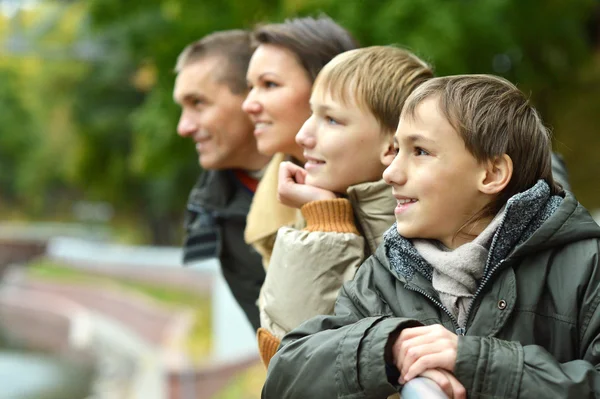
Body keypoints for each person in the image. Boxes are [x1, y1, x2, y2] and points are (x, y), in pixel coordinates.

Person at [262, 75, 600, 399]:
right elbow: (283, 379)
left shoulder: (587, 264)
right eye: (396, 150)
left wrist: (474, 362)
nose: (390, 173)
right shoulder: (384, 273)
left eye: (420, 151)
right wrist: (390, 348)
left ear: (492, 173)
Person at [256, 46, 434, 367]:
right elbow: (280, 357)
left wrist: (326, 225)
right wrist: (324, 219)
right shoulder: (327, 208)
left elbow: (291, 359)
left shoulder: (434, 237)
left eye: (331, 120)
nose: (303, 135)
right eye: (312, 114)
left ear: (392, 147)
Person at [173, 30, 271, 330]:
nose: (183, 127)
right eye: (183, 107)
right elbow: (276, 341)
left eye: (198, 103)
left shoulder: (346, 176)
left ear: (253, 96)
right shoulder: (213, 211)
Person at [242, 16, 358, 267]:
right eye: (250, 86)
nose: (248, 104)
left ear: (327, 91)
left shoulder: (396, 194)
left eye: (269, 84)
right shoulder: (268, 204)